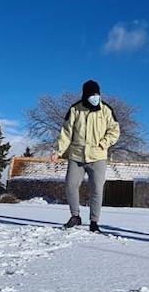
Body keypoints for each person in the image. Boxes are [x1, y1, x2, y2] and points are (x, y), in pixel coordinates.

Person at [49, 80, 120, 232]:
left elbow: (115, 131)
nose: (95, 97)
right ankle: (75, 216)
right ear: (85, 95)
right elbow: (66, 134)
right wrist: (58, 151)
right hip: (77, 156)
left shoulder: (106, 110)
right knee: (70, 185)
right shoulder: (75, 109)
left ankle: (94, 222)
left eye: (97, 94)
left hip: (98, 157)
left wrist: (104, 143)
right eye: (92, 94)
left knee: (97, 189)